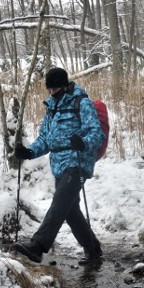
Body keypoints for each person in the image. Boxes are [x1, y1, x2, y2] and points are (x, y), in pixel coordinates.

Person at [13, 67, 105, 265]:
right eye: (50, 89)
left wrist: (83, 142)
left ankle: (38, 246)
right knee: (70, 209)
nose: (53, 92)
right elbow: (45, 139)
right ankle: (93, 249)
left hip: (78, 161)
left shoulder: (82, 103)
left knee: (61, 200)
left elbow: (96, 133)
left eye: (56, 88)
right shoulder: (52, 108)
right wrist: (29, 152)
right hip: (58, 164)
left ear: (65, 85)